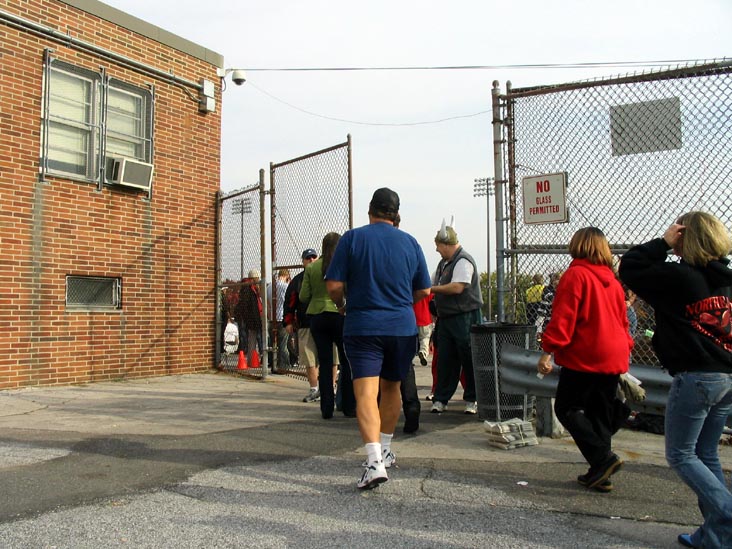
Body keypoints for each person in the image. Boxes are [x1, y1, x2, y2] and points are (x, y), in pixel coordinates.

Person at [619, 212, 732, 548]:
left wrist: (663, 243)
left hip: (697, 376)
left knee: (680, 454)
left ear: (684, 238)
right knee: (705, 452)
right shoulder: (726, 280)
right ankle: (716, 536)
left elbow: (630, 267)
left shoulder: (680, 277)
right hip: (727, 376)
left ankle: (728, 514)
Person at [325, 188, 431, 490]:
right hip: (401, 327)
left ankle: (373, 463)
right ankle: (385, 449)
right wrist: (401, 304)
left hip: (363, 325)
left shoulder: (352, 239)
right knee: (392, 387)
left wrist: (343, 304)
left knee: (366, 393)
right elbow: (424, 290)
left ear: (370, 210)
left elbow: (334, 285)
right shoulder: (411, 243)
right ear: (396, 214)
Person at [537, 227, 633, 493]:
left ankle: (603, 460)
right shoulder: (612, 281)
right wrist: (626, 346)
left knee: (566, 408)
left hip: (587, 353)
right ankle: (600, 472)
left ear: (577, 246)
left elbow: (563, 319)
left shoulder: (576, 275)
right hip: (614, 352)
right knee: (599, 414)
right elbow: (624, 321)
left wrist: (548, 350)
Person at [300, 233, 356, 420]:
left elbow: (303, 296)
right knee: (345, 361)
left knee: (324, 362)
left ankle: (326, 408)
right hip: (340, 314)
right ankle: (348, 406)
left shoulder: (312, 267)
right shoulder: (344, 264)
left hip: (317, 316)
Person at [430, 220, 482, 415]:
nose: (437, 250)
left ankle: (472, 398)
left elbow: (458, 286)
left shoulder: (463, 261)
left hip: (464, 316)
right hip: (447, 318)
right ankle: (441, 398)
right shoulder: (443, 264)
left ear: (446, 244)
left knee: (469, 359)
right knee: (445, 359)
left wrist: (431, 290)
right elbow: (431, 281)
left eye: (438, 246)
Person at [283, 249, 320, 402]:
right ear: (303, 261)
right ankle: (314, 389)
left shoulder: (327, 274)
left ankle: (330, 389)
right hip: (306, 324)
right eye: (307, 258)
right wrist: (288, 321)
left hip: (326, 322)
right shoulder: (297, 280)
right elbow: (289, 302)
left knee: (331, 358)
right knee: (309, 359)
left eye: (313, 257)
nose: (311, 260)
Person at [235, 270, 263, 369]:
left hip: (252, 317)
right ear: (253, 278)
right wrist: (248, 318)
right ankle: (251, 360)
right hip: (250, 318)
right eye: (257, 278)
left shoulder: (252, 287)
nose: (258, 280)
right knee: (250, 338)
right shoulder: (248, 288)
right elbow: (246, 305)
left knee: (252, 338)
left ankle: (252, 359)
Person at [273, 268, 291, 373]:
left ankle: (275, 364)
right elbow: (288, 301)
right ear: (286, 276)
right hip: (282, 316)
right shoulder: (285, 286)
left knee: (275, 344)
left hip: (273, 317)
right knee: (283, 344)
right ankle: (285, 365)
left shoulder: (270, 286)